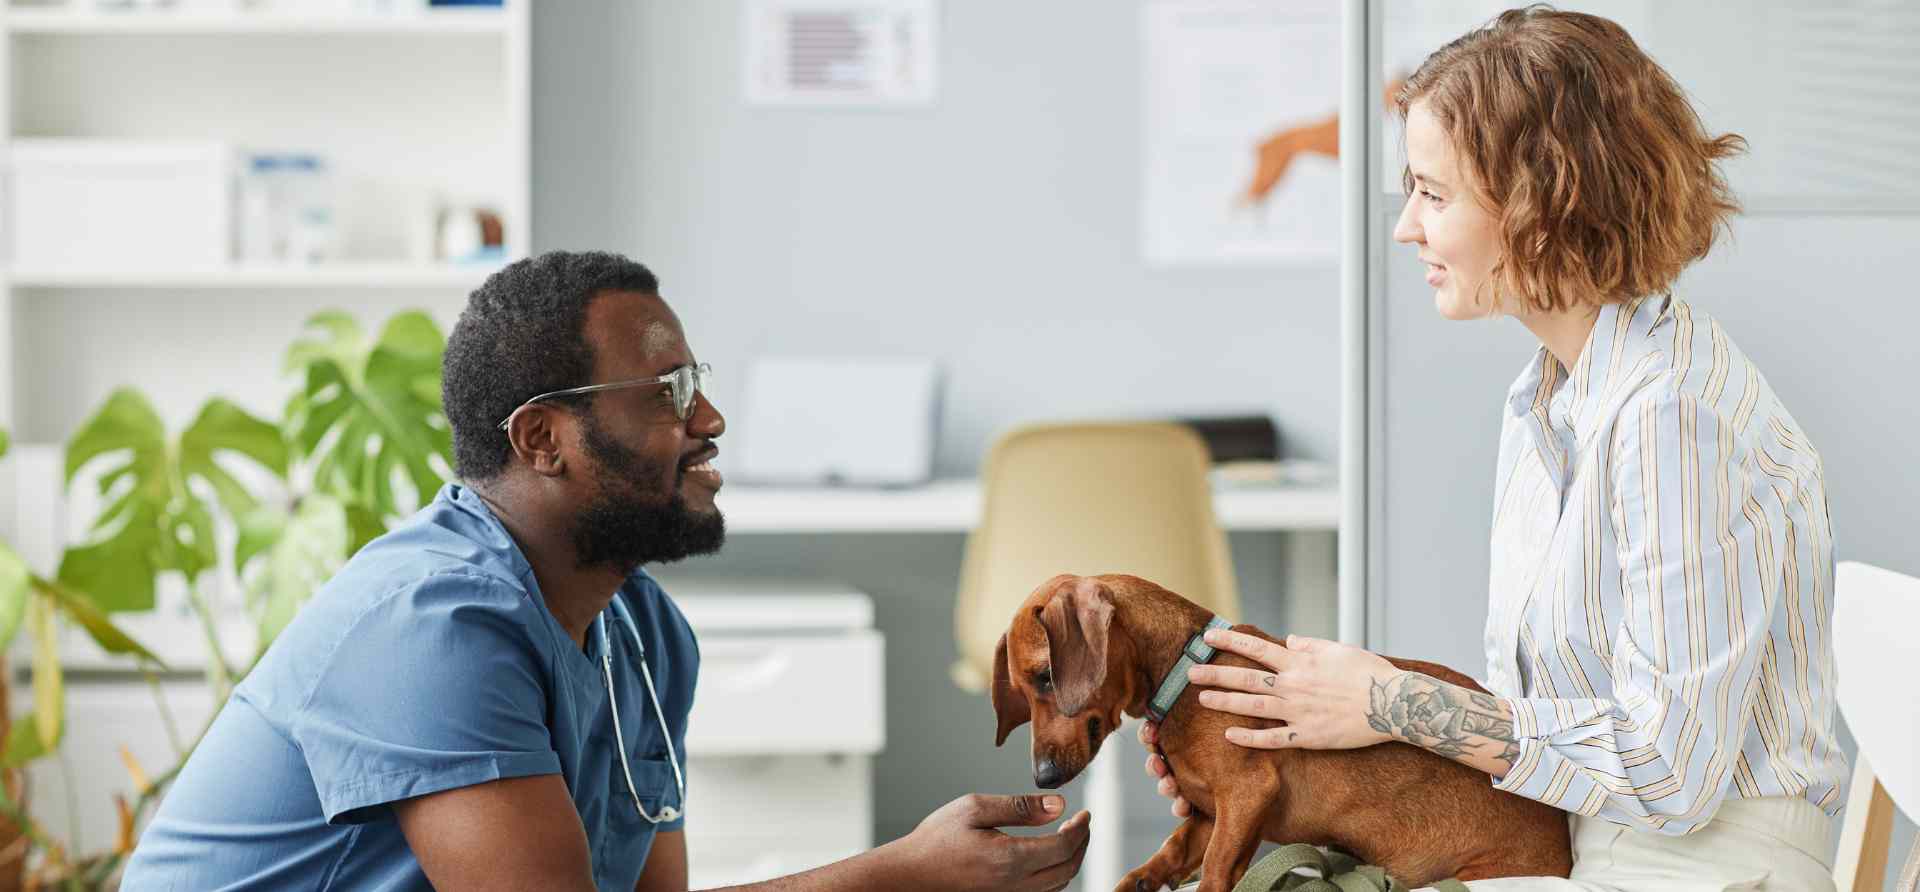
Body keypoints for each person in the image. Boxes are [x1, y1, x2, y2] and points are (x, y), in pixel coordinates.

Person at [1143, 7, 1846, 890]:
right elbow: (1566, 734)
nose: (1407, 228)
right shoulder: (1548, 401)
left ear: (1541, 205)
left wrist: (1389, 702)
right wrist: (1282, 767)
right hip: (1595, 845)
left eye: (1434, 195)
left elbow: (1672, 773)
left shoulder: (1674, 418)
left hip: (1701, 869)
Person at [124, 251, 1091, 891]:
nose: (708, 420)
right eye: (670, 392)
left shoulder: (643, 633)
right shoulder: (428, 627)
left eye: (699, 386)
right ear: (543, 438)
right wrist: (900, 877)